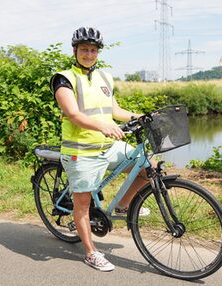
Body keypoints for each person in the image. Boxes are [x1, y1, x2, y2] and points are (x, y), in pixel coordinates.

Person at [50, 27, 150, 272]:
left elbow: (115, 112)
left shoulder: (105, 77)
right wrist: (104, 127)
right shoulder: (64, 79)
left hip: (108, 145)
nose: (89, 54)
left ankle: (122, 205)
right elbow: (73, 114)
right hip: (81, 150)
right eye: (84, 49)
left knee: (149, 168)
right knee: (82, 204)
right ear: (75, 51)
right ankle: (91, 252)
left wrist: (144, 116)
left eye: (93, 50)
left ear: (98, 53)